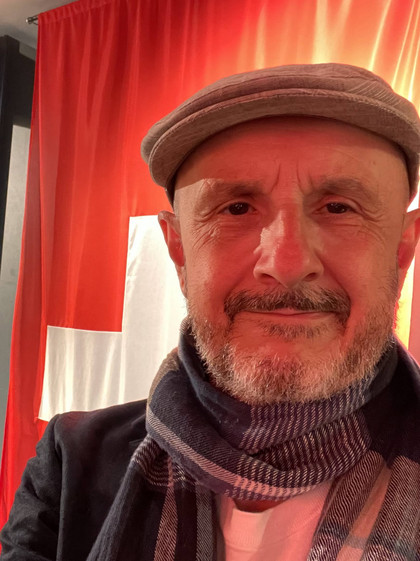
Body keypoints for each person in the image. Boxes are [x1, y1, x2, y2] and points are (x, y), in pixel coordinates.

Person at [1, 63, 420, 561]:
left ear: (401, 252)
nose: (286, 264)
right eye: (236, 209)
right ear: (180, 252)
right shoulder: (73, 462)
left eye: (339, 208)